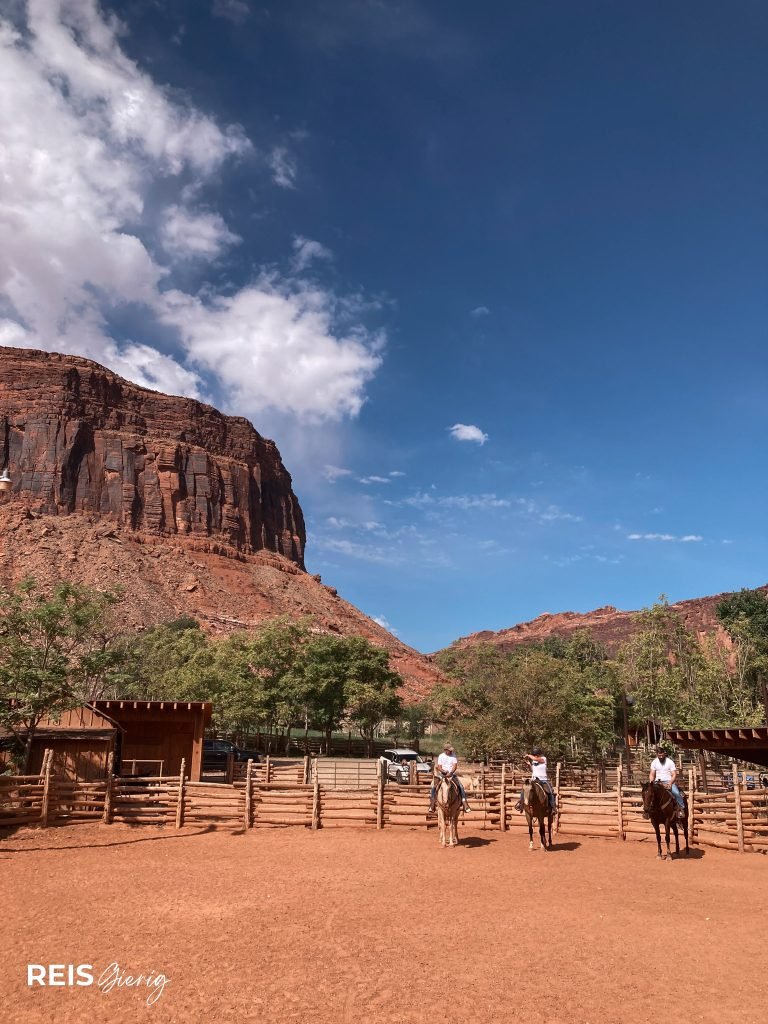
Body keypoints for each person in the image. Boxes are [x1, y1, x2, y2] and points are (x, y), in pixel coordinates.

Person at [428, 742, 471, 813]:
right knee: (434, 787)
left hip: (452, 774)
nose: (451, 751)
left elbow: (455, 766)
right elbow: (439, 767)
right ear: (445, 750)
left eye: (451, 750)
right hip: (442, 774)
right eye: (449, 750)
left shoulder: (453, 755)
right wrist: (444, 771)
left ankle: (464, 802)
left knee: (461, 786)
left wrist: (451, 772)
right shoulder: (441, 756)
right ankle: (432, 803)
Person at [515, 747, 556, 813]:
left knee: (550, 792)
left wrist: (528, 755)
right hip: (534, 779)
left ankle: (552, 806)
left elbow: (535, 759)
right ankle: (521, 804)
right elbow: (533, 770)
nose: (535, 756)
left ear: (539, 754)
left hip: (543, 780)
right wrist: (529, 765)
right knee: (524, 789)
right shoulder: (534, 761)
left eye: (536, 755)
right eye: (534, 755)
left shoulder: (543, 759)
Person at [649, 747, 685, 815]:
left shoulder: (670, 762)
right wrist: (651, 782)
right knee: (648, 794)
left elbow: (674, 774)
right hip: (657, 782)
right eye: (659, 755)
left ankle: (681, 808)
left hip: (668, 781)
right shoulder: (654, 762)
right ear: (657, 754)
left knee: (676, 793)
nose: (661, 757)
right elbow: (652, 774)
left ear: (664, 753)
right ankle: (647, 810)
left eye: (662, 755)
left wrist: (670, 783)